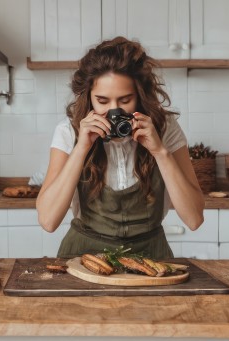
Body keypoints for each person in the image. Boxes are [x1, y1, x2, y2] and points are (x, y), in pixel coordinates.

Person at [36, 36, 204, 259]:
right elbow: (48, 221)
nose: (114, 111)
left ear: (140, 96)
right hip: (83, 259)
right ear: (88, 97)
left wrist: (160, 152)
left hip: (150, 258)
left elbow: (194, 219)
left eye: (125, 100)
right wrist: (81, 148)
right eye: (102, 101)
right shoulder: (69, 131)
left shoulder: (164, 129)